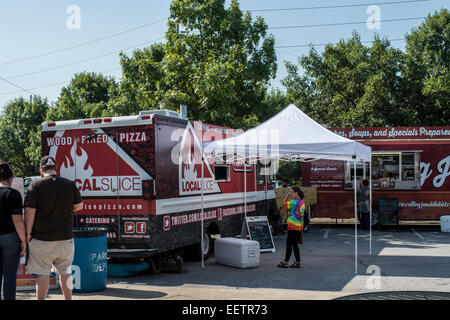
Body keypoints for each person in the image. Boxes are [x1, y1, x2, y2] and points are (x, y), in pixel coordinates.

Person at [24, 156, 83, 300]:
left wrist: (28, 234)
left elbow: (30, 212)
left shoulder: (35, 185)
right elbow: (79, 206)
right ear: (55, 168)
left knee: (43, 273)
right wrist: (64, 209)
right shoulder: (70, 184)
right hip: (66, 237)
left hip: (42, 239)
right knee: (66, 272)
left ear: (41, 169)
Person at [0, 162, 26, 300]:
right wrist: (23, 240)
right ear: (10, 177)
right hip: (10, 238)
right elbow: (17, 220)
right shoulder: (14, 194)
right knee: (9, 276)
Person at [277, 186, 305, 269]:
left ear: (296, 193)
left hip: (292, 226)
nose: (290, 193)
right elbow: (300, 215)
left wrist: (286, 196)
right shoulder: (301, 202)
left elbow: (284, 203)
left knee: (290, 244)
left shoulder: (294, 202)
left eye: (291, 192)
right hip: (298, 226)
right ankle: (296, 262)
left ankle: (286, 262)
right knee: (294, 244)